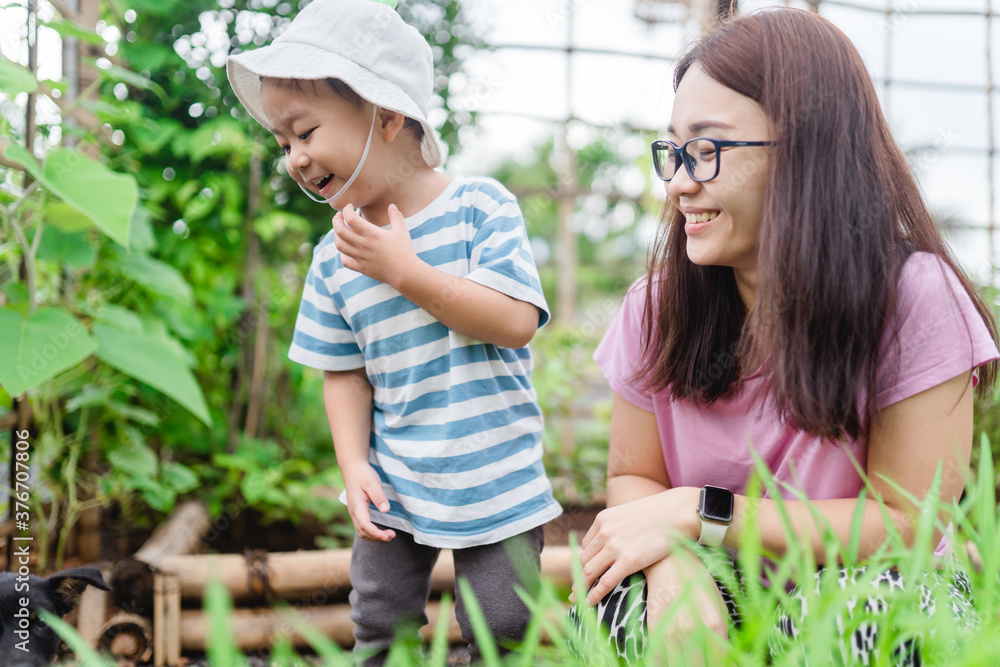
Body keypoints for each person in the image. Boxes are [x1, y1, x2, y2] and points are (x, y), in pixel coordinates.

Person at [575, 7, 999, 665]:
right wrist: (675, 562)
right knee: (626, 588)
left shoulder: (916, 298)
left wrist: (700, 512)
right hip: (721, 598)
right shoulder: (655, 306)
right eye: (675, 151)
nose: (681, 182)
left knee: (879, 599)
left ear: (805, 152)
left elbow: (906, 523)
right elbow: (633, 477)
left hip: (862, 589)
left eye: (708, 150)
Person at [226, 1, 562, 663]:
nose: (294, 157)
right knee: (379, 620)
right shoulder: (333, 257)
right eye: (283, 142)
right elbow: (343, 372)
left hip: (496, 476)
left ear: (386, 115)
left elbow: (516, 322)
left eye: (305, 131)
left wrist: (407, 273)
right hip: (396, 479)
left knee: (503, 624)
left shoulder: (479, 208)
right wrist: (354, 465)